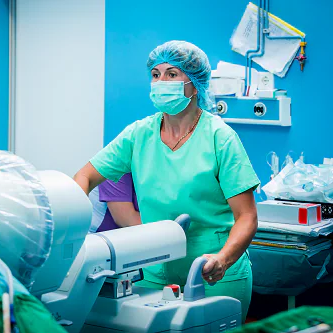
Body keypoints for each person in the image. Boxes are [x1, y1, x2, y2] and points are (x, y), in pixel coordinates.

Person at [73, 40, 260, 321]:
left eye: (172, 74)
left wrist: (223, 259)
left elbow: (247, 217)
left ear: (195, 85)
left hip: (215, 272)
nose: (161, 82)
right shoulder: (138, 134)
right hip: (155, 270)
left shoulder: (219, 138)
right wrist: (69, 218)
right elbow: (86, 175)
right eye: (156, 74)